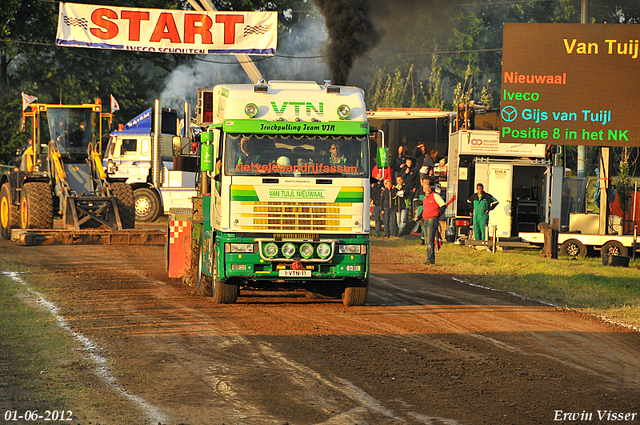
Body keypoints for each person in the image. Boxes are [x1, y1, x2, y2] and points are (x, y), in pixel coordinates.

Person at [421, 178, 446, 265]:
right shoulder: (424, 199)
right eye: (425, 188)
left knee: (430, 241)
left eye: (428, 188)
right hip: (425, 220)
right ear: (423, 190)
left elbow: (443, 205)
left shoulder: (435, 196)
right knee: (427, 241)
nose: (427, 189)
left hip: (432, 220)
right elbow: (424, 210)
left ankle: (431, 260)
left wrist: (438, 215)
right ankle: (429, 259)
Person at [370, 171, 384, 237]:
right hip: (375, 204)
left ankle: (386, 232)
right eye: (378, 177)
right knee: (377, 219)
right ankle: (377, 232)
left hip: (383, 205)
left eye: (380, 177)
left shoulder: (383, 185)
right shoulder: (374, 186)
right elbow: (372, 194)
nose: (379, 178)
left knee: (385, 219)